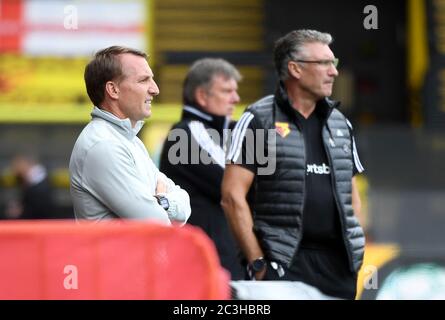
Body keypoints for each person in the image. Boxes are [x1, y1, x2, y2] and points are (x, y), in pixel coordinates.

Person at [222, 29, 365, 299]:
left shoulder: (340, 124)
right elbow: (231, 197)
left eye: (333, 63)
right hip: (283, 266)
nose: (333, 72)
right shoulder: (258, 119)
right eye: (324, 63)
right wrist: (258, 264)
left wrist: (354, 255)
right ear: (295, 69)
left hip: (339, 268)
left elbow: (352, 196)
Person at [69, 46, 191, 225]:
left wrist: (160, 202)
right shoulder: (104, 145)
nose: (155, 89)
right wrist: (165, 204)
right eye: (143, 80)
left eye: (152, 79)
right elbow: (156, 224)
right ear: (113, 90)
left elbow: (185, 205)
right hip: (118, 254)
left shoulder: (129, 141)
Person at [159, 58, 244, 279]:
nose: (236, 98)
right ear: (202, 96)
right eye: (227, 91)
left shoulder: (220, 132)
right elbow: (236, 186)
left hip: (218, 259)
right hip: (205, 263)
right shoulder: (188, 132)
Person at [4, 155, 55, 219]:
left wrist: (21, 211)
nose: (15, 170)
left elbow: (38, 208)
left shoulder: (39, 184)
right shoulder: (29, 181)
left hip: (40, 222)